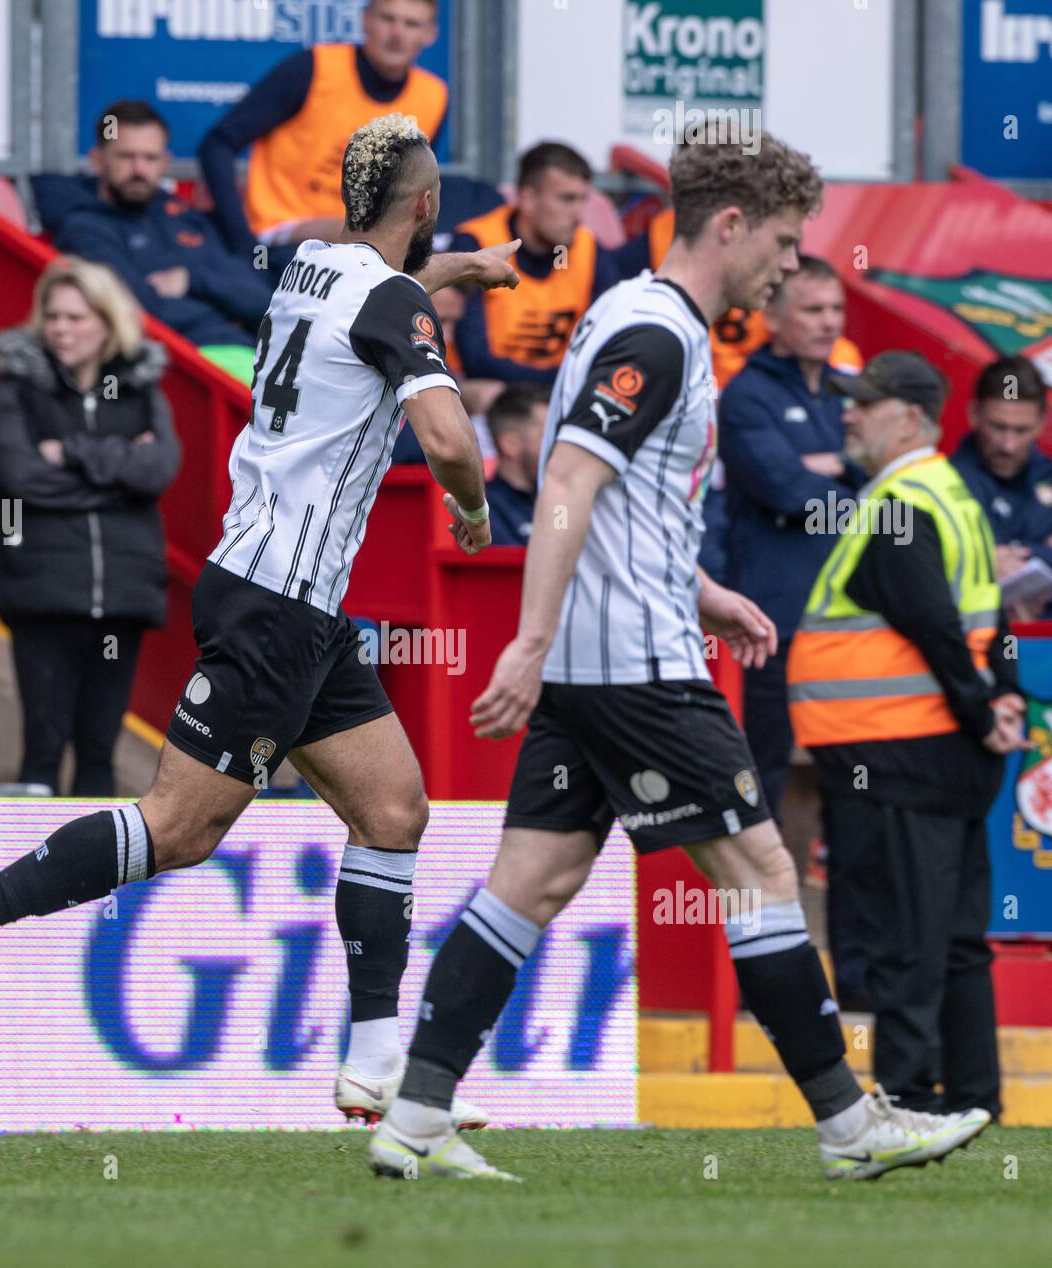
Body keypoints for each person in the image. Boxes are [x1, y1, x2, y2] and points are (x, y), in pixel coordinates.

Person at [368, 130, 992, 1183]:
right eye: (785, 243)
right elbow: (565, 478)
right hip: (636, 671)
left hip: (597, 656)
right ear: (731, 224)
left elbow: (619, 500)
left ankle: (415, 1110)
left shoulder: (637, 323)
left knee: (534, 877)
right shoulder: (657, 335)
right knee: (759, 872)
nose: (791, 266)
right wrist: (524, 638)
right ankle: (847, 1125)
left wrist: (704, 591)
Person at [0, 114, 521, 1129]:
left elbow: (378, 281)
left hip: (287, 596)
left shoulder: (311, 261)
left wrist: (456, 268)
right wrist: (475, 507)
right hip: (278, 599)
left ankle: (374, 1063)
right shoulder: (393, 300)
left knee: (393, 807)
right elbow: (445, 436)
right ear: (426, 204)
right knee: (179, 829)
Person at [788, 350, 1028, 1121]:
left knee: (902, 939)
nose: (849, 412)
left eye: (866, 402)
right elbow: (989, 623)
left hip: (897, 751)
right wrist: (1000, 701)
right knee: (954, 936)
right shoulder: (950, 494)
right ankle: (973, 1100)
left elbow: (933, 623)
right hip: (931, 752)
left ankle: (909, 1100)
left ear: (912, 419)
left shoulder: (901, 500)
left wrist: (979, 707)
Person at [0, 257, 181, 796]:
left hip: (123, 596)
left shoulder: (139, 391)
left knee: (99, 754)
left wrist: (68, 451)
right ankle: (24, 880)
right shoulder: (17, 391)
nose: (62, 329)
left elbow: (160, 468)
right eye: (54, 317)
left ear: (108, 322)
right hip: (42, 592)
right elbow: (23, 479)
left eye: (76, 317)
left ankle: (94, 882)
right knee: (41, 755)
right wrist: (118, 475)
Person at [719, 256, 865, 822]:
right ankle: (760, 906)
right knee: (764, 770)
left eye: (836, 309)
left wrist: (829, 467)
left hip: (847, 620)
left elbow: (884, 474)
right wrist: (844, 477)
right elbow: (790, 493)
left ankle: (842, 909)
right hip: (772, 621)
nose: (829, 322)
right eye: (813, 309)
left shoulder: (852, 388)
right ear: (773, 319)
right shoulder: (746, 396)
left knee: (852, 774)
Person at [200, 0, 448, 263]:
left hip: (365, 247)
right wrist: (243, 243)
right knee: (361, 235)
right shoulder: (314, 67)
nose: (397, 33)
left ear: (430, 34)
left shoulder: (433, 96)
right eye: (388, 19)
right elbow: (218, 143)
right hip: (283, 232)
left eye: (411, 24)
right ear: (365, 20)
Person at [54, 101, 272, 376]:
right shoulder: (86, 228)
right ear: (98, 160)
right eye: (125, 157)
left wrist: (192, 280)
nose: (138, 169)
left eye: (150, 158)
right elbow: (141, 310)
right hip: (179, 367)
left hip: (248, 356)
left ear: (165, 162)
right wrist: (225, 301)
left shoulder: (186, 217)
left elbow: (263, 300)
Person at [619, 203, 863, 391]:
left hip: (771, 370)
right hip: (709, 384)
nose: (789, 262)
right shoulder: (650, 247)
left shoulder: (773, 231)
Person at [451, 143, 622, 388]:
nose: (578, 214)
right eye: (567, 199)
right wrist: (561, 381)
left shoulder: (588, 249)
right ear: (527, 199)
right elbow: (475, 359)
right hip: (492, 390)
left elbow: (608, 346)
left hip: (559, 389)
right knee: (487, 393)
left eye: (583, 200)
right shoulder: (478, 243)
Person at [951, 355, 1052, 622]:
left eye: (1022, 430)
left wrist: (998, 555)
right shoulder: (946, 482)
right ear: (974, 414)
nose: (1009, 445)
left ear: (1042, 422)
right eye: (999, 427)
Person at [483, 386, 549, 545]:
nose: (559, 445)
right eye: (547, 435)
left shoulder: (558, 502)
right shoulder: (482, 509)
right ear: (510, 444)